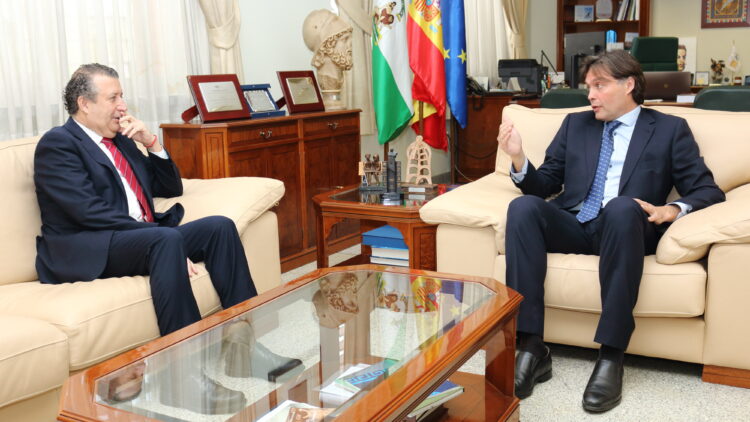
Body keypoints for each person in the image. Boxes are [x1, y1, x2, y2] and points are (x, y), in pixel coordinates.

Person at [34, 63, 301, 413]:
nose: (122, 106)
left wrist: (151, 142)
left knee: (219, 227)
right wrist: (160, 236)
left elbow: (171, 188)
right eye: (113, 97)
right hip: (91, 246)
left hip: (138, 237)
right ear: (85, 103)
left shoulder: (123, 140)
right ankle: (183, 377)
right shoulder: (59, 144)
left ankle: (243, 349)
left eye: (122, 96)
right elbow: (89, 213)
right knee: (167, 241)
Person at [497, 50, 724, 413]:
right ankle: (530, 347)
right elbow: (544, 186)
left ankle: (611, 355)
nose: (590, 95)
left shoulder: (668, 129)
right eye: (588, 86)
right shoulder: (575, 124)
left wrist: (672, 209)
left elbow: (708, 190)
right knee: (522, 208)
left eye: (599, 86)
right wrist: (519, 158)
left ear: (629, 84)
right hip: (575, 222)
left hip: (626, 228)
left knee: (621, 206)